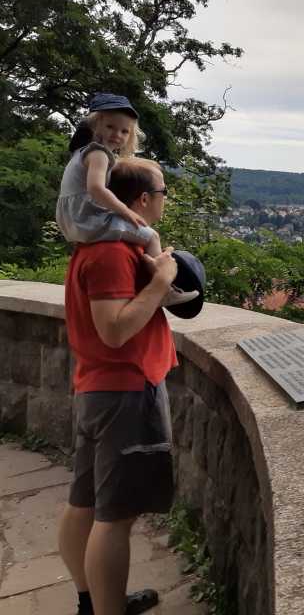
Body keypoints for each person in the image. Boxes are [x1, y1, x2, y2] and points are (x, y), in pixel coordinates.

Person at [58, 157, 180, 615]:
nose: (166, 199)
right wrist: (161, 282)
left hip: (99, 387)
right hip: (125, 391)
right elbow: (113, 329)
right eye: (163, 191)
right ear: (144, 199)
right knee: (115, 518)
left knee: (85, 502)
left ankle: (93, 600)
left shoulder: (102, 243)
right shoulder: (111, 252)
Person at [56, 92, 195, 307]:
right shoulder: (98, 154)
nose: (117, 134)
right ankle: (163, 290)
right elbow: (95, 189)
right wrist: (125, 211)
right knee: (151, 237)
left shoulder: (82, 151)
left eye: (124, 131)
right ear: (96, 125)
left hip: (75, 218)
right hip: (86, 218)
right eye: (111, 127)